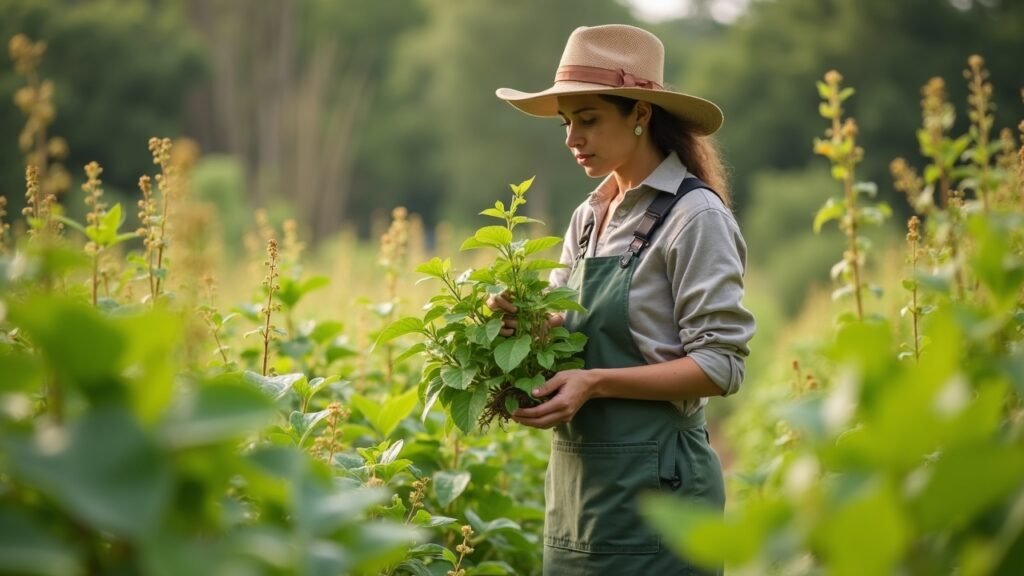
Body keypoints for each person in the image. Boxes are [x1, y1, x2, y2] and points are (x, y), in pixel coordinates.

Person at [489, 24, 755, 575]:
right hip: (580, 495)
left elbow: (720, 365)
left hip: (662, 495)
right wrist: (524, 325)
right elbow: (571, 335)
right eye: (567, 123)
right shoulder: (588, 217)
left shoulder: (694, 218)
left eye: (588, 120)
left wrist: (597, 381)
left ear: (640, 113)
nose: (571, 139)